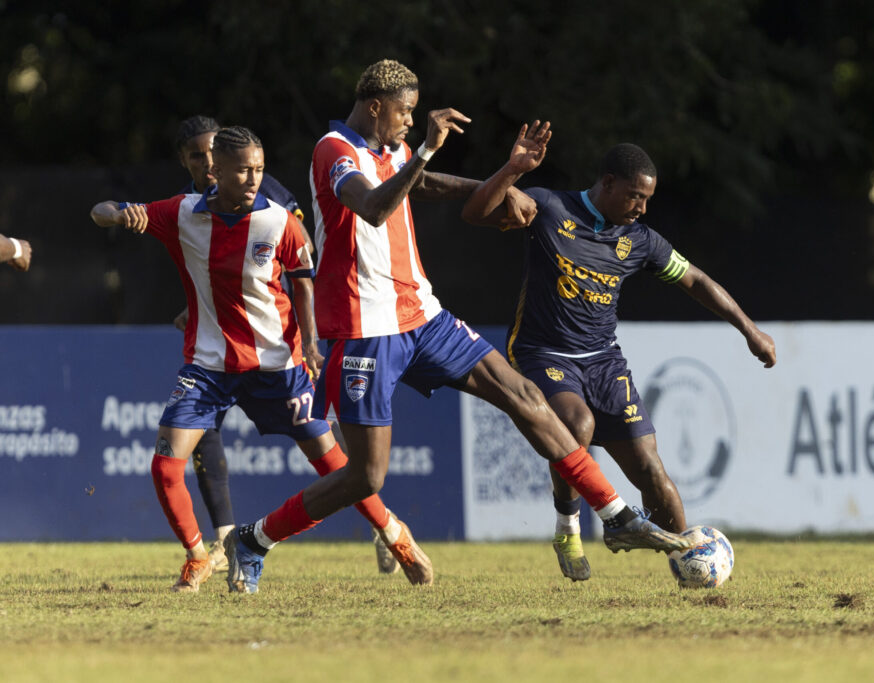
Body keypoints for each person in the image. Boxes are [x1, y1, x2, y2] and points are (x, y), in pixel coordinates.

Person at [224, 59, 701, 594]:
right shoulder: (334, 149)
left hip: (422, 314)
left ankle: (615, 515)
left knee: (524, 394)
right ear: (376, 106)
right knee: (366, 477)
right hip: (364, 327)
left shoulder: (390, 150)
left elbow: (418, 184)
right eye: (404, 112)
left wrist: (500, 179)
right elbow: (376, 207)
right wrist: (426, 146)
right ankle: (254, 539)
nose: (409, 121)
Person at [89, 126, 431, 592]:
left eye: (259, 169)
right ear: (217, 172)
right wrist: (114, 215)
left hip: (278, 366)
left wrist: (310, 342)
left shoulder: (278, 222)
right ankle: (196, 557)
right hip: (209, 367)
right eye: (244, 170)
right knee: (165, 465)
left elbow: (304, 280)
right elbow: (103, 210)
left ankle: (396, 536)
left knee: (336, 465)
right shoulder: (182, 213)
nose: (253, 179)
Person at [461, 125, 777, 581]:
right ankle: (568, 527)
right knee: (578, 424)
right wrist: (512, 171)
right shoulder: (549, 207)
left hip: (604, 361)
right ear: (607, 183)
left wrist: (749, 330)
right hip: (542, 353)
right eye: (634, 196)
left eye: (647, 199)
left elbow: (697, 281)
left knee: (652, 471)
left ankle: (687, 562)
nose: (642, 208)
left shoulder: (640, 240)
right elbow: (475, 213)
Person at [170, 115, 399, 576]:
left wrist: (308, 338)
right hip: (222, 347)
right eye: (197, 156)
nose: (208, 163)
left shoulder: (264, 190)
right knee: (199, 430)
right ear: (185, 160)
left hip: (279, 342)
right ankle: (222, 542)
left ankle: (384, 526)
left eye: (214, 153)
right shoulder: (192, 203)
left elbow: (298, 263)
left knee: (321, 448)